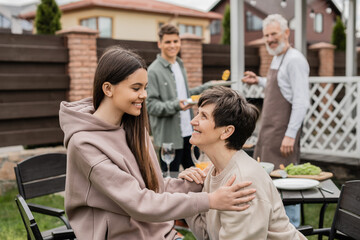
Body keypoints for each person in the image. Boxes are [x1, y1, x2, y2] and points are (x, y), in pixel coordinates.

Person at [59, 46, 256, 240]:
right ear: (108, 88)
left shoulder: (133, 128)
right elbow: (139, 202)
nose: (144, 95)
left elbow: (152, 187)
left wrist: (197, 182)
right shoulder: (84, 144)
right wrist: (210, 200)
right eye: (136, 88)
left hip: (158, 232)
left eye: (145, 88)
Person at [180, 86, 306, 240]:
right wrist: (188, 192)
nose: (193, 121)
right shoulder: (214, 171)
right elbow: (208, 235)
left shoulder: (243, 182)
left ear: (226, 131)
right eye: (197, 114)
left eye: (203, 116)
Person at [242, 14, 310, 227]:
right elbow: (281, 86)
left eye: (274, 34)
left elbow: (301, 101)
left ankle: (294, 229)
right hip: (269, 134)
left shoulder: (295, 60)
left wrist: (290, 135)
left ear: (286, 33)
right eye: (266, 35)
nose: (270, 39)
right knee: (271, 186)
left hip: (282, 136)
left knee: (287, 185)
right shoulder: (278, 57)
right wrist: (260, 80)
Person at [147, 23, 215, 172]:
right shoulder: (153, 71)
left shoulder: (179, 64)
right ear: (160, 44)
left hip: (190, 134)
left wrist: (209, 85)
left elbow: (185, 95)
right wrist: (177, 105)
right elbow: (151, 105)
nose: (172, 45)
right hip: (169, 139)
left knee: (197, 176)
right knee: (170, 178)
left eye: (175, 41)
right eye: (168, 42)